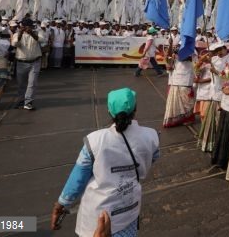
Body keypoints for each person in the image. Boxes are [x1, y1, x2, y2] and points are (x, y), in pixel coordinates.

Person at [52, 88, 160, 236]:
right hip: (129, 210)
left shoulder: (94, 140)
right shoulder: (151, 136)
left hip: (98, 219)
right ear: (135, 110)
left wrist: (61, 204)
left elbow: (78, 178)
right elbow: (152, 158)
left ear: (109, 112)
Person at [11, 18, 43, 111]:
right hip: (21, 62)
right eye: (24, 26)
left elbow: (42, 40)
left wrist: (32, 33)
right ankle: (21, 101)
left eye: (28, 26)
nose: (26, 28)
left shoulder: (37, 33)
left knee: (32, 83)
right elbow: (14, 44)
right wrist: (20, 34)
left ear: (32, 26)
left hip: (35, 62)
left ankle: (28, 102)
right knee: (21, 84)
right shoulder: (17, 34)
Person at [163, 53, 196, 128]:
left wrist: (178, 56)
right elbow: (168, 60)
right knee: (176, 101)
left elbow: (190, 58)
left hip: (186, 80)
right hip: (176, 79)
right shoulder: (174, 54)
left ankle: (190, 119)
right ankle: (177, 120)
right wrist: (170, 61)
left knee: (187, 102)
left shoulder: (191, 51)